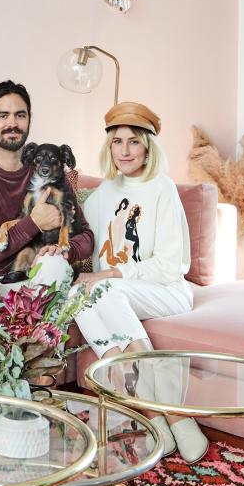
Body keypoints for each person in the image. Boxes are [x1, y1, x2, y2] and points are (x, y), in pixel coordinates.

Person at [73, 101, 209, 463]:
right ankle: (153, 417)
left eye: (133, 141)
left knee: (104, 288)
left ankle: (176, 416)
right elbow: (76, 234)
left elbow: (170, 264)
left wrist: (111, 273)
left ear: (148, 146)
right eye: (117, 142)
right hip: (117, 294)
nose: (125, 151)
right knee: (77, 294)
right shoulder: (104, 192)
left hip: (167, 290)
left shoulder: (161, 188)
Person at [0, 80, 94, 296]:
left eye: (20, 115)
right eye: (3, 115)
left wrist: (64, 250)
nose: (13, 123)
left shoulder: (52, 172)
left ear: (29, 119)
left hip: (41, 276)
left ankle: (44, 329)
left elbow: (86, 236)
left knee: (54, 264)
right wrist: (34, 222)